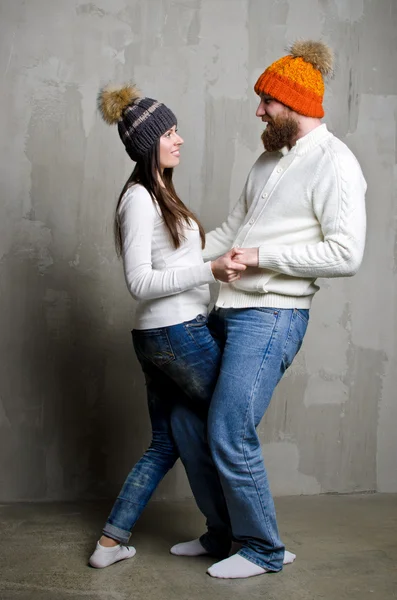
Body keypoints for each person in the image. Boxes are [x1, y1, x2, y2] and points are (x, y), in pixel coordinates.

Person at [169, 40, 367, 579]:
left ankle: (261, 549)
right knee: (187, 419)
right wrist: (176, 261)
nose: (259, 110)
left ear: (295, 103)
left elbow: (346, 254)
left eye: (266, 101)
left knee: (229, 427)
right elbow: (234, 232)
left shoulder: (336, 163)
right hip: (229, 310)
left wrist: (260, 258)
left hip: (272, 315)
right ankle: (223, 535)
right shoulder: (268, 159)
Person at [88, 83, 246, 568]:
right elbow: (139, 281)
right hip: (176, 337)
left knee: (165, 444)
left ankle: (110, 544)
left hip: (161, 339)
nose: (179, 140)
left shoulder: (161, 194)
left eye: (178, 130)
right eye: (170, 133)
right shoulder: (138, 198)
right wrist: (210, 271)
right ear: (147, 142)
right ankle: (258, 542)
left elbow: (185, 258)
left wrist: (224, 253)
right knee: (233, 428)